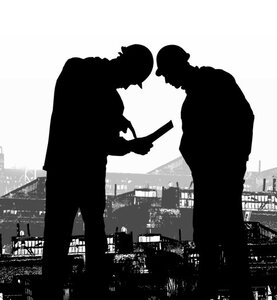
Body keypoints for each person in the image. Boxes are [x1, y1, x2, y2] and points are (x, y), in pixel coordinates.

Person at [41, 44, 154, 299]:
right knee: (92, 237)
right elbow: (97, 140)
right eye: (131, 79)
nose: (126, 86)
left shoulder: (78, 71)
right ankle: (92, 292)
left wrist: (114, 121)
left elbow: (87, 128)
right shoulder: (103, 91)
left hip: (64, 169)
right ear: (126, 66)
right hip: (83, 173)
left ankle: (54, 292)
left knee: (58, 238)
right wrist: (130, 146)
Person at [155, 44, 254, 300]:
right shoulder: (201, 94)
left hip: (220, 177)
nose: (166, 80)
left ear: (178, 66)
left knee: (226, 235)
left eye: (166, 73)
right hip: (211, 178)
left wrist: (235, 164)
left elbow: (245, 119)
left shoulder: (215, 82)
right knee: (211, 235)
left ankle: (230, 292)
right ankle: (218, 290)